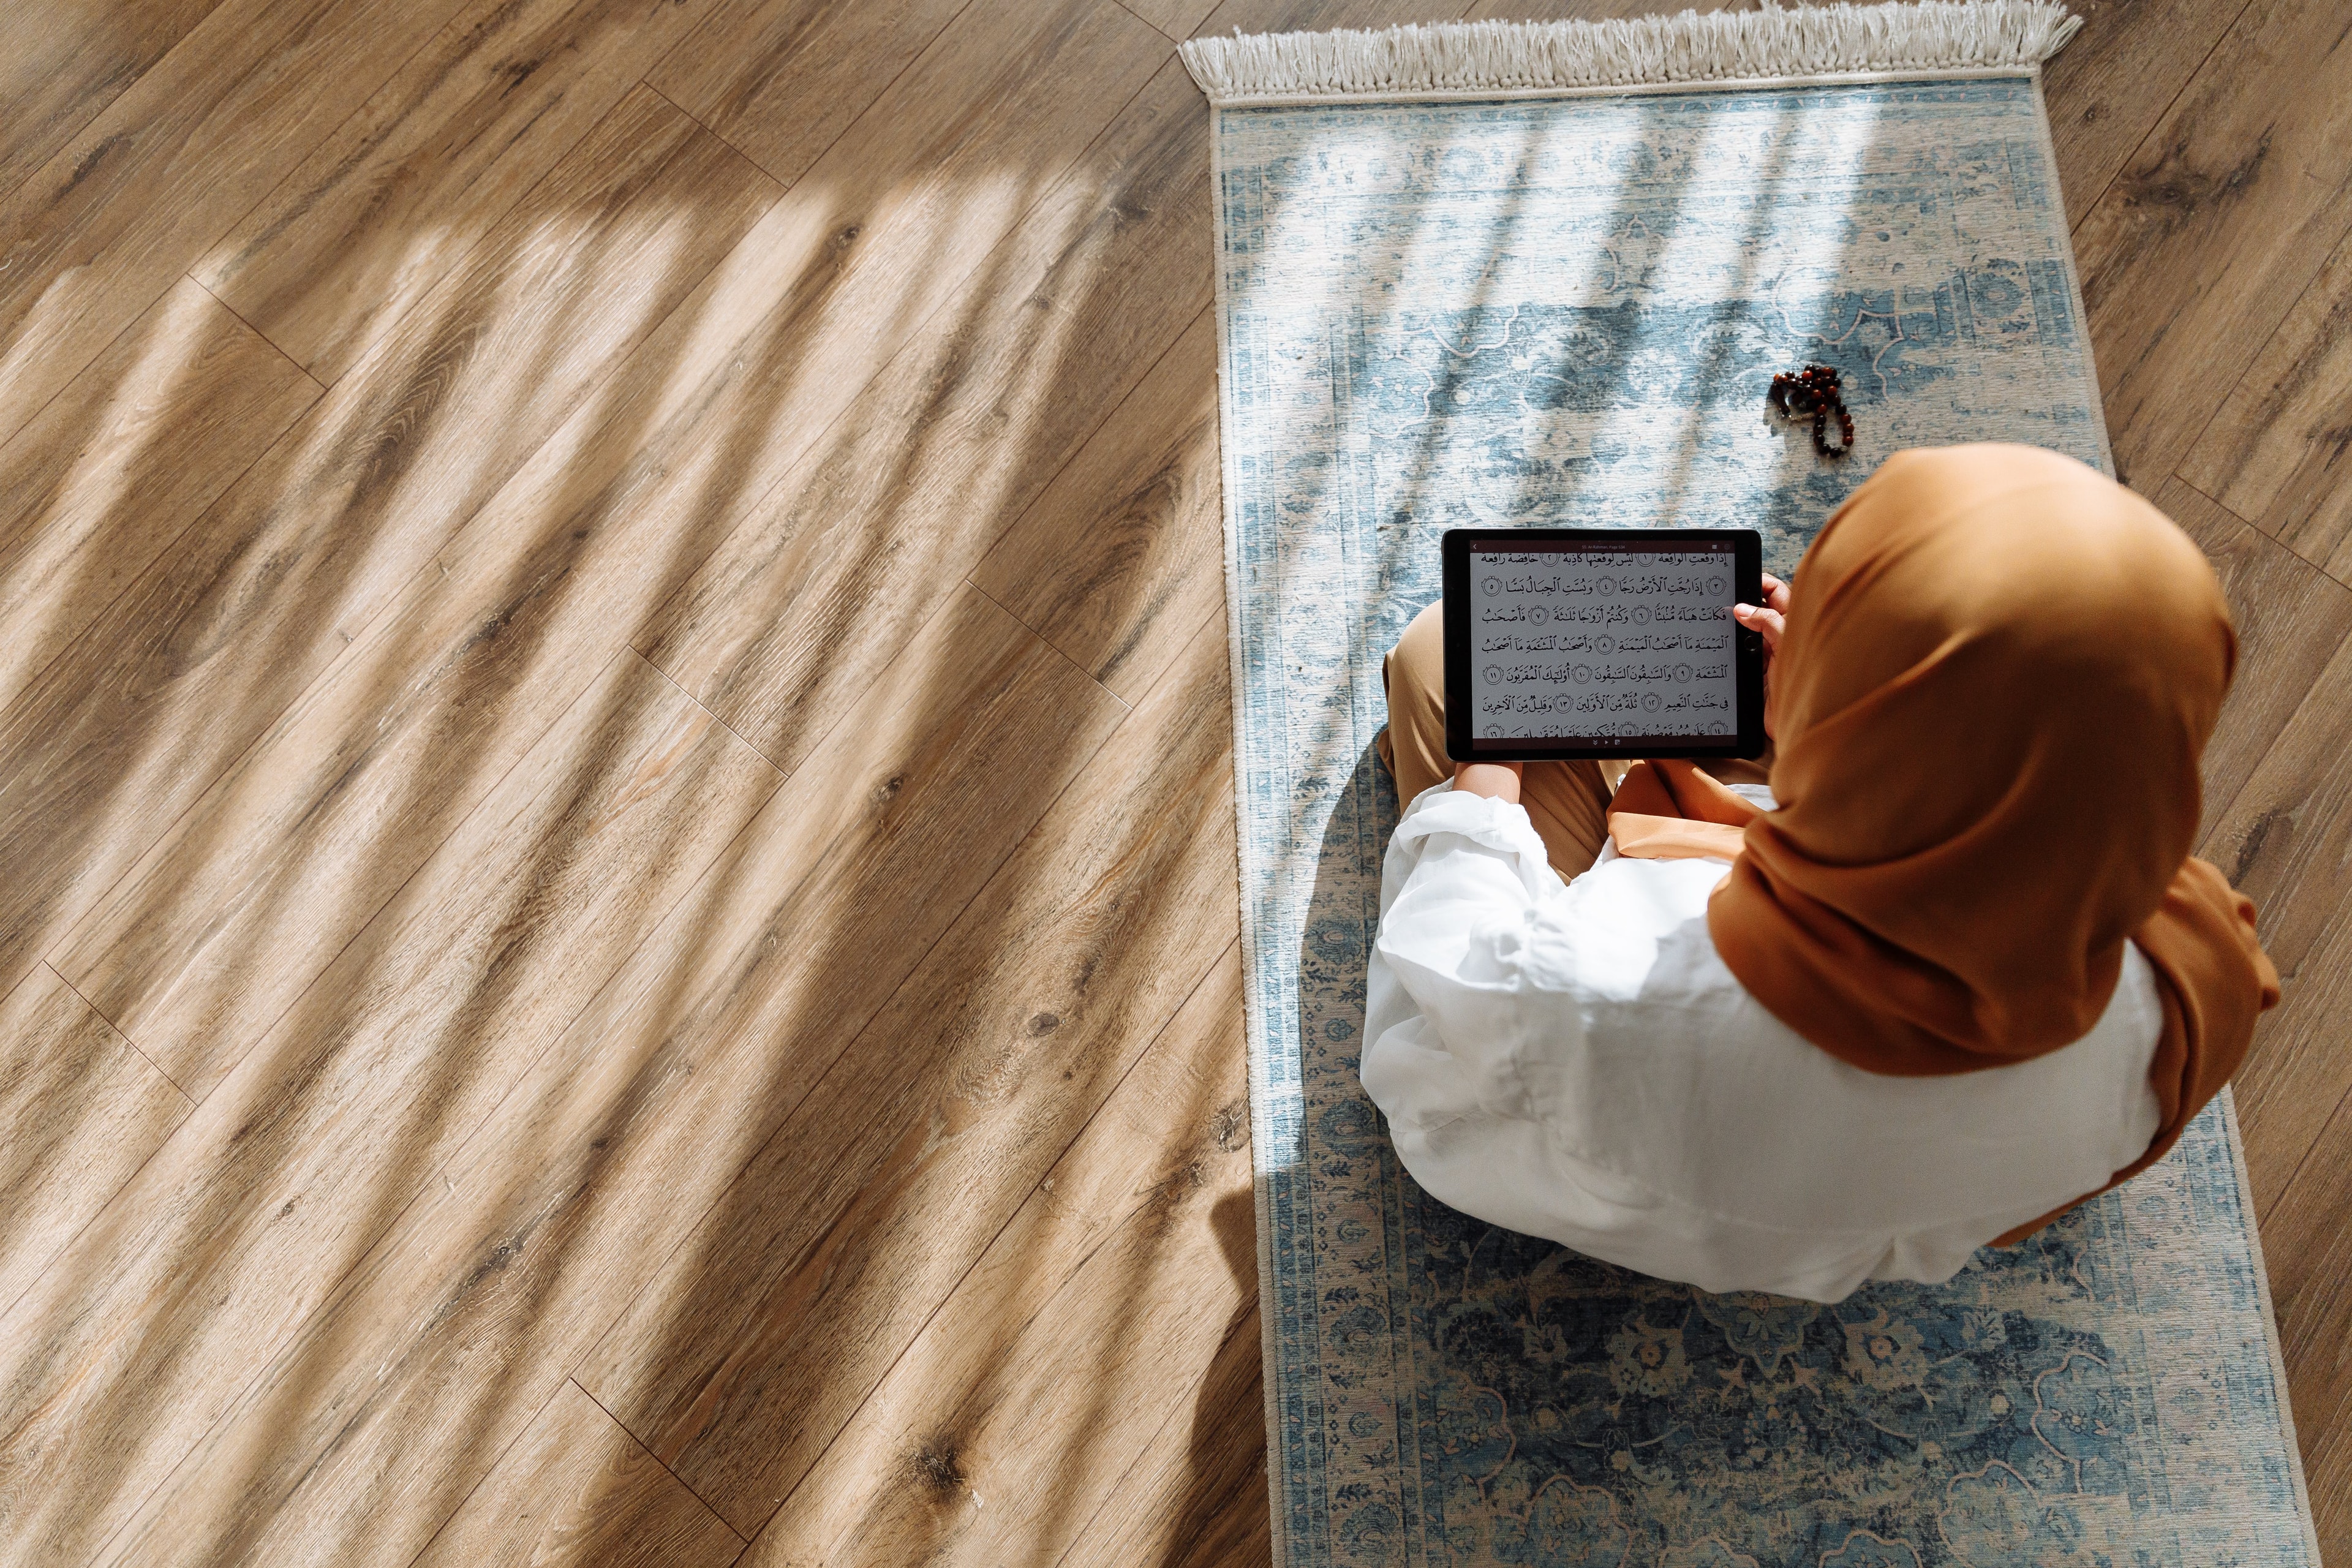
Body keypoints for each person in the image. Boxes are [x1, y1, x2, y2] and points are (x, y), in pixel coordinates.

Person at [1360, 444, 2278, 1303]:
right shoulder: (2191, 979)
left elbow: (1448, 961)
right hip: (1891, 1203)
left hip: (1631, 1148)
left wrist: (1488, 776)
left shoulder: (1600, 978)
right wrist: (1827, 707)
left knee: (1449, 654)